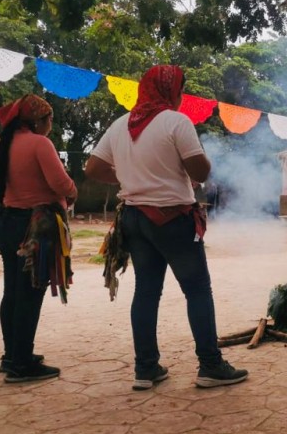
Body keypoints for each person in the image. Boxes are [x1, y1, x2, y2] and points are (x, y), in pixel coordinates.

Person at [84, 65, 248, 390]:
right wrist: (202, 162)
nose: (182, 95)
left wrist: (130, 177)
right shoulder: (177, 121)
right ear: (170, 91)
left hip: (134, 218)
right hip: (172, 218)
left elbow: (93, 167)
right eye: (180, 89)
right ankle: (210, 365)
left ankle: (146, 369)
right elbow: (199, 171)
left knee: (146, 291)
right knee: (197, 289)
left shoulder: (120, 125)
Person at [0, 94, 77, 383]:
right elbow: (59, 183)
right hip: (37, 227)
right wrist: (72, 192)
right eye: (49, 119)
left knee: (12, 291)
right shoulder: (40, 144)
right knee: (30, 292)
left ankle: (12, 355)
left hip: (9, 223)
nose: (50, 125)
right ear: (37, 121)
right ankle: (22, 364)